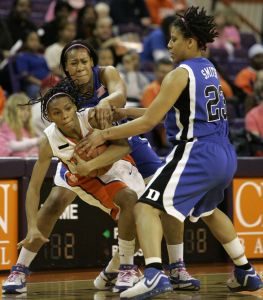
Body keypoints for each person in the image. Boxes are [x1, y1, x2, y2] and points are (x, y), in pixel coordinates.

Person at [82, 7, 263, 299]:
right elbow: (166, 111)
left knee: (145, 206)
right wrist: (124, 111)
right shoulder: (208, 69)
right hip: (223, 154)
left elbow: (151, 122)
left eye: (174, 39)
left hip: (197, 152)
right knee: (208, 211)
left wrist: (103, 133)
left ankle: (154, 273)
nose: (169, 45)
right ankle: (246, 271)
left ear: (190, 41)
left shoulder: (179, 74)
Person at [2, 40, 199, 294]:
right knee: (52, 204)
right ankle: (20, 268)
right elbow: (37, 182)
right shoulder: (62, 97)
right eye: (74, 63)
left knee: (161, 202)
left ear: (92, 62)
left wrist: (107, 104)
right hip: (79, 151)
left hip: (123, 141)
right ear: (65, 68)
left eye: (84, 61)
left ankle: (173, 267)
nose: (80, 66)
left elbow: (120, 96)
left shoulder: (106, 73)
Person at [0, 92, 39, 157]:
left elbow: (35, 150)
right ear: (12, 110)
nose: (26, 113)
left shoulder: (27, 129)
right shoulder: (7, 126)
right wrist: (35, 141)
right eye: (22, 109)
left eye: (28, 110)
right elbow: (13, 147)